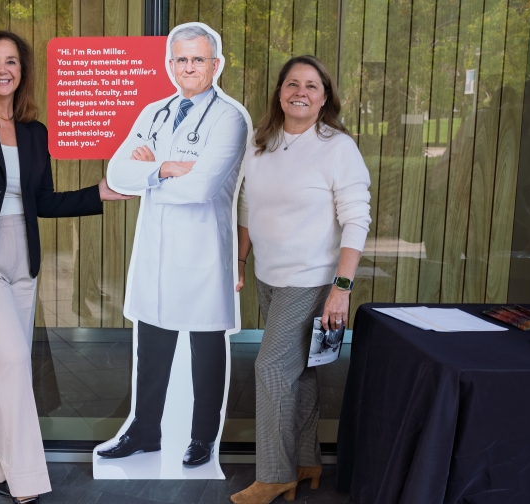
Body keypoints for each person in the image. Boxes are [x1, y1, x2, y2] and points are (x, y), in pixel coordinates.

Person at [0, 31, 132, 504]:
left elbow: (41, 201)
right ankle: (27, 480)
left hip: (25, 260)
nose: (3, 69)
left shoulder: (35, 131)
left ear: (23, 71)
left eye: (12, 61)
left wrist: (98, 193)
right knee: (15, 359)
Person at [98, 23, 251, 468]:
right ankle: (145, 431)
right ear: (169, 65)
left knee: (206, 350)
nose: (189, 67)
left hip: (203, 251)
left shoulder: (230, 118)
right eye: (181, 59)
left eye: (198, 59)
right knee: (152, 344)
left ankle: (203, 437)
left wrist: (150, 175)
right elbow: (117, 175)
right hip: (156, 251)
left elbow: (202, 188)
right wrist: (167, 167)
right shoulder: (154, 112)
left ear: (215, 65)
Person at [230, 55, 371, 504]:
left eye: (312, 86)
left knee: (270, 367)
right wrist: (240, 260)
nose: (301, 92)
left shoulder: (337, 147)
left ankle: (274, 474)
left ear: (324, 96)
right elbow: (248, 206)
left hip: (311, 279)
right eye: (293, 84)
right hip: (269, 275)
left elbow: (356, 220)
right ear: (279, 92)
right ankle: (307, 458)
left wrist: (341, 290)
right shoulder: (261, 143)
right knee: (301, 370)